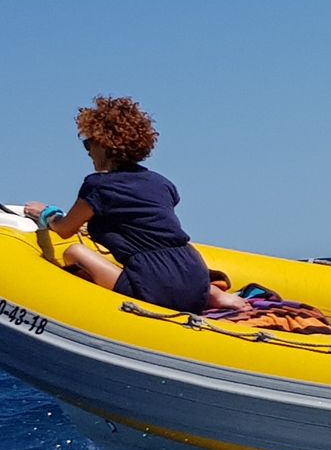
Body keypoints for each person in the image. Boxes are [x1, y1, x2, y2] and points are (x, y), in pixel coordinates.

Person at [24, 96, 211, 314]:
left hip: (156, 286)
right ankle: (216, 296)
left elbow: (65, 229)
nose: (87, 151)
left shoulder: (98, 186)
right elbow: (143, 221)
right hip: (196, 276)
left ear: (105, 146)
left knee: (74, 252)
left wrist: (47, 213)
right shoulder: (162, 183)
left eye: (89, 143)